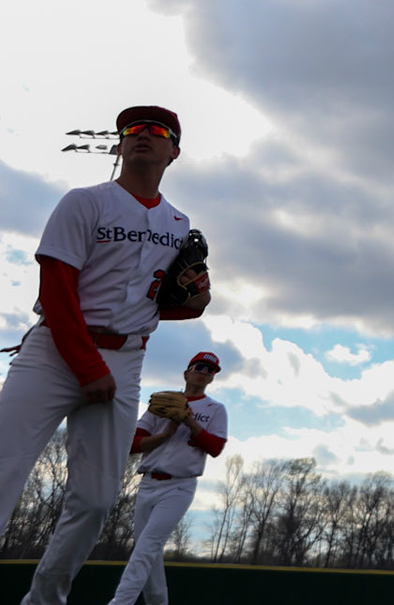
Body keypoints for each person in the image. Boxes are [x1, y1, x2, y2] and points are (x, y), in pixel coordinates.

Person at [0, 105, 210, 605]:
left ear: (173, 152)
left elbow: (166, 303)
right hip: (55, 350)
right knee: (3, 469)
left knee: (95, 502)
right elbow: (56, 288)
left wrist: (196, 301)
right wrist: (87, 366)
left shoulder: (178, 224)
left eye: (157, 131)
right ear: (118, 146)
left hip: (126, 358)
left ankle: (45, 599)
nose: (142, 135)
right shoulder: (84, 202)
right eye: (132, 130)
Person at [108, 351, 228, 605]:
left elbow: (215, 448)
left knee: (146, 547)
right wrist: (163, 435)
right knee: (148, 552)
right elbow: (132, 444)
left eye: (211, 370)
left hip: (179, 486)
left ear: (212, 379)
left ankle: (120, 602)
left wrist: (191, 423)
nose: (205, 372)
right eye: (200, 367)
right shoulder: (162, 403)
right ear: (186, 373)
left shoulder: (215, 409)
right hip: (148, 482)